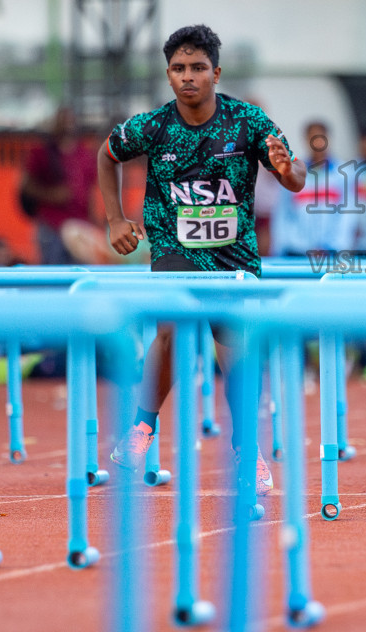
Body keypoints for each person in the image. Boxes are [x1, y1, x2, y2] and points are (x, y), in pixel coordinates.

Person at [98, 25, 305, 491]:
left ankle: (246, 450)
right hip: (175, 246)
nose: (187, 77)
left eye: (196, 68)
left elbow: (295, 179)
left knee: (233, 351)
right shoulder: (153, 126)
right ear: (168, 75)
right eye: (178, 69)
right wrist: (115, 219)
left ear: (216, 72)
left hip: (234, 257)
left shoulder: (247, 121)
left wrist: (289, 167)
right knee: (170, 331)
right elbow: (107, 154)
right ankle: (140, 431)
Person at [20, 105, 97, 264]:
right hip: (52, 224)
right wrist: (50, 194)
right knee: (52, 273)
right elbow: (26, 185)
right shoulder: (42, 153)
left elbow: (90, 191)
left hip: (79, 225)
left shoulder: (84, 154)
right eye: (63, 121)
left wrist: (93, 221)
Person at [272, 120, 357, 258]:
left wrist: (334, 246)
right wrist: (284, 246)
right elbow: (282, 214)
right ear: (305, 140)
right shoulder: (294, 172)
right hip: (297, 253)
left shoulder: (343, 173)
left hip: (332, 254)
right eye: (312, 138)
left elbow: (347, 216)